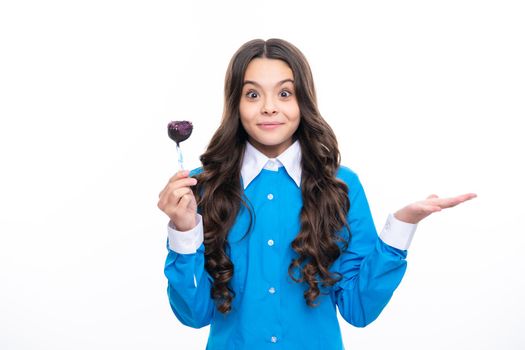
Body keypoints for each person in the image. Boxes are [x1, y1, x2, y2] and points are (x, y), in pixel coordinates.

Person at [157, 38, 476, 349]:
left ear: (303, 101)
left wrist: (401, 228)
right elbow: (194, 315)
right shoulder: (201, 188)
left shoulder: (341, 185)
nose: (269, 107)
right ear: (235, 104)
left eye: (284, 93)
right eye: (253, 94)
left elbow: (358, 309)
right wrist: (184, 231)